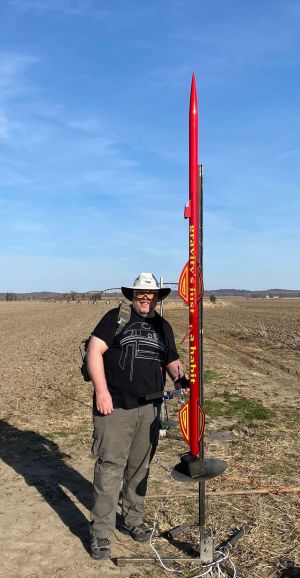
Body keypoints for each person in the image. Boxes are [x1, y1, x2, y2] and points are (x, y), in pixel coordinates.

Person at [87, 272, 187, 560]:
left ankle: (133, 520)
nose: (146, 300)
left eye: (151, 295)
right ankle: (101, 534)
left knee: (139, 468)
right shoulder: (115, 318)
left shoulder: (162, 326)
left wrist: (183, 380)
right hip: (116, 407)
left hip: (150, 409)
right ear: (133, 296)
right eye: (141, 295)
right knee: (110, 469)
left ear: (157, 298)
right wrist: (102, 392)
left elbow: (171, 361)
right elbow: (94, 352)